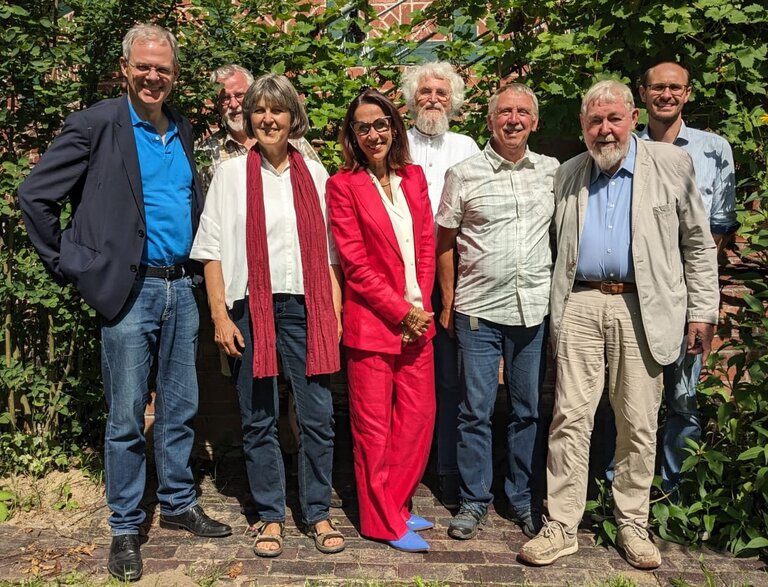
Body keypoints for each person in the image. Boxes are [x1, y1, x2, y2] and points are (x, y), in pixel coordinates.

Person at [17, 24, 231, 582]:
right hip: (127, 293)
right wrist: (71, 265)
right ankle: (125, 525)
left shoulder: (183, 129)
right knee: (126, 417)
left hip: (181, 287)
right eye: (144, 66)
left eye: (163, 68)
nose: (153, 76)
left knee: (181, 408)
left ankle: (180, 503)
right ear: (125, 68)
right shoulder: (95, 125)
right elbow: (34, 196)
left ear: (174, 75)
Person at [519, 80, 719, 570]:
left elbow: (697, 242)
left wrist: (703, 310)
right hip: (582, 303)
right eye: (594, 121)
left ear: (632, 117)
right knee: (570, 417)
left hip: (643, 308)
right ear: (583, 127)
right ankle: (562, 525)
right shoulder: (569, 173)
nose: (604, 130)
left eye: (613, 119)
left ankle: (633, 521)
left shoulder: (671, 165)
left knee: (638, 419)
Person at [190, 73, 345, 558]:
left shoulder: (316, 176)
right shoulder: (232, 174)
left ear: (292, 116)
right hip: (249, 309)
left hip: (306, 308)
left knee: (317, 417)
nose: (268, 118)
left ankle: (317, 512)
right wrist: (219, 315)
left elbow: (332, 256)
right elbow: (211, 249)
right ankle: (272, 515)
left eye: (277, 110)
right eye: (259, 110)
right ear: (250, 117)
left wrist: (334, 317)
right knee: (258, 418)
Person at [436, 83, 558, 540]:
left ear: (534, 121)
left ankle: (522, 498)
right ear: (489, 121)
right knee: (475, 410)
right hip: (478, 311)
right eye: (504, 112)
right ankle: (473, 500)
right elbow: (444, 243)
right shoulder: (463, 173)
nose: (513, 120)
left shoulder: (553, 173)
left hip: (532, 310)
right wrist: (448, 301)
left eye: (522, 112)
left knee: (527, 408)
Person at [326, 89, 436, 553]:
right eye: (363, 126)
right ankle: (380, 522)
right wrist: (402, 311)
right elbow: (354, 263)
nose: (373, 133)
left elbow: (427, 244)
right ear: (352, 135)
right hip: (374, 325)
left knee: (417, 420)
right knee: (373, 430)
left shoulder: (413, 177)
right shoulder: (342, 186)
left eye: (381, 124)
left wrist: (422, 307)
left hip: (419, 322)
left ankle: (395, 504)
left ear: (395, 126)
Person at [638, 61, 738, 494]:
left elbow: (715, 232)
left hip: (688, 295)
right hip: (636, 292)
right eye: (658, 87)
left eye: (674, 88)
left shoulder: (714, 150)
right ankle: (619, 491)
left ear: (688, 93)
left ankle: (673, 493)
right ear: (643, 94)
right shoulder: (626, 145)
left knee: (683, 399)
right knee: (626, 401)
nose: (666, 95)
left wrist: (697, 299)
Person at [401, 61, 480, 508]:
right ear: (412, 97)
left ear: (454, 102)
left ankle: (447, 468)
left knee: (450, 376)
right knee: (405, 372)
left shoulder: (466, 146)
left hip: (451, 272)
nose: (433, 99)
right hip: (404, 275)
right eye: (426, 91)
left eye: (442, 93)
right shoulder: (396, 141)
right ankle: (405, 472)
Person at [198, 64, 322, 193]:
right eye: (225, 98)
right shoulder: (208, 151)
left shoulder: (292, 140)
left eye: (240, 95)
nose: (233, 104)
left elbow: (320, 186)